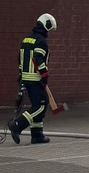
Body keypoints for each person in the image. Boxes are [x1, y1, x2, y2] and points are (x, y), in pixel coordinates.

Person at [8, 13, 57, 145]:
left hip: (26, 78)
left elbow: (20, 58)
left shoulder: (26, 39)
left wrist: (21, 74)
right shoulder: (41, 41)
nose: (49, 32)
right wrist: (44, 75)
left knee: (36, 104)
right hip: (35, 79)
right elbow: (38, 58)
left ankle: (37, 135)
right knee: (41, 105)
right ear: (46, 25)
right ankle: (17, 125)